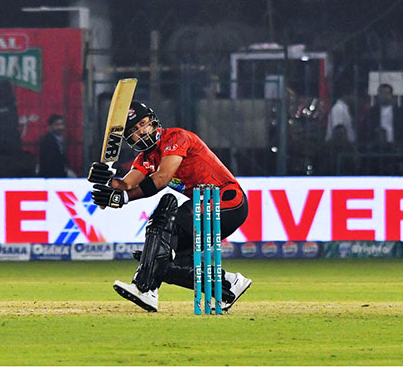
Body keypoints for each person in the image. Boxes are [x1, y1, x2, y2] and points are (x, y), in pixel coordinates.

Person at [87, 101, 251, 313]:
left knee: (167, 217)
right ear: (129, 139)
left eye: (144, 124)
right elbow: (126, 184)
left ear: (153, 121)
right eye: (134, 131)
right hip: (203, 204)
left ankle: (145, 288)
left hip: (227, 200)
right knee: (168, 261)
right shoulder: (146, 158)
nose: (142, 131)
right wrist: (107, 179)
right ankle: (229, 285)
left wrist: (123, 198)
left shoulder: (176, 138)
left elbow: (162, 179)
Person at [38, 113, 75, 178]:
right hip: (51, 176)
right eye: (57, 125)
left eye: (62, 124)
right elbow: (50, 162)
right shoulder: (47, 141)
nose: (60, 127)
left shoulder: (59, 139)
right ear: (50, 126)